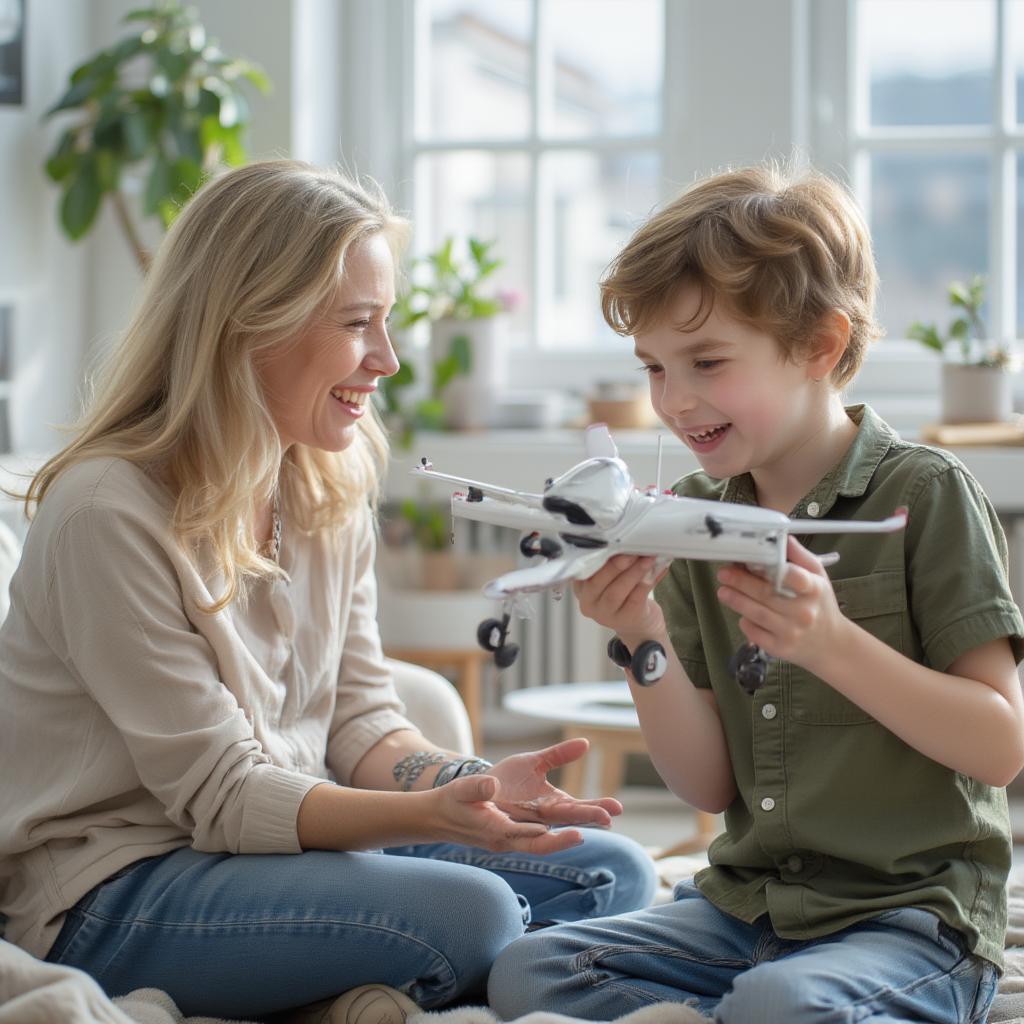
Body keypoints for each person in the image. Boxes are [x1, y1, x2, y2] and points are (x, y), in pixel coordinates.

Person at [0, 160, 657, 1022]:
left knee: (612, 866)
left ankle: (361, 980)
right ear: (248, 325)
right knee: (479, 913)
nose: (386, 360)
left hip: (269, 854)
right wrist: (432, 819)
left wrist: (473, 787)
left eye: (385, 323)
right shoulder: (105, 512)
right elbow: (225, 794)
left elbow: (359, 719)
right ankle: (387, 976)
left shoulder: (324, 480)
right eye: (358, 324)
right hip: (116, 888)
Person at [488, 163, 1024, 1024]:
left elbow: (1000, 747)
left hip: (910, 919)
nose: (675, 400)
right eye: (655, 368)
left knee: (781, 1004)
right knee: (532, 971)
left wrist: (832, 645)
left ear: (819, 345)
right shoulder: (697, 518)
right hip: (746, 910)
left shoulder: (923, 496)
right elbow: (704, 786)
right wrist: (642, 638)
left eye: (706, 362)